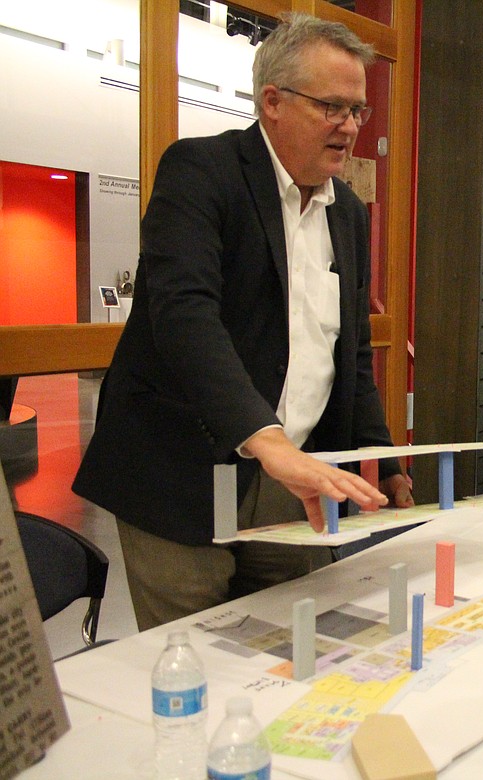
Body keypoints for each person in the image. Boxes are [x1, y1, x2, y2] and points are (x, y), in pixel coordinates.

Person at [73, 13, 413, 631]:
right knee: (197, 660)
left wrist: (384, 463)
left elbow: (352, 353)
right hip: (182, 475)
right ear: (273, 103)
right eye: (332, 107)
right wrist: (268, 440)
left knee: (288, 647)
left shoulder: (349, 216)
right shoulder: (201, 173)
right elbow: (184, 317)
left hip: (291, 482)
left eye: (358, 110)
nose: (350, 127)